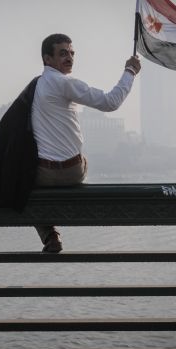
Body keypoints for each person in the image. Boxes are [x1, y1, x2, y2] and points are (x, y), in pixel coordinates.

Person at [34, 33, 141, 252]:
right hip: (73, 171)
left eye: (72, 53)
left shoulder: (36, 87)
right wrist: (130, 72)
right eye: (63, 53)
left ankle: (50, 235)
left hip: (42, 174)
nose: (70, 58)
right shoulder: (65, 82)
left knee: (21, 182)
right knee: (84, 159)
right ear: (47, 59)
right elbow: (110, 102)